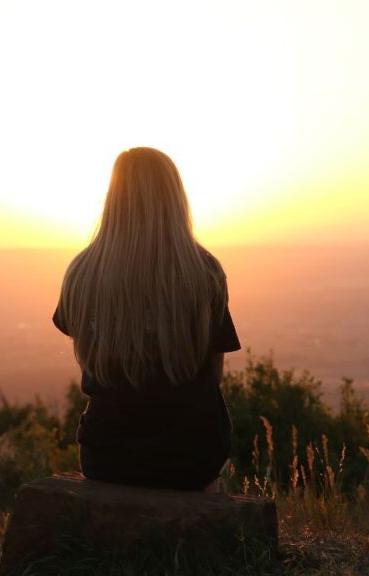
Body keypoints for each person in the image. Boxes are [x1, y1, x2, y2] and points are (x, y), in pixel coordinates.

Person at [52, 147, 241, 493]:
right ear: (174, 199)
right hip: (192, 457)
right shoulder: (205, 272)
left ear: (113, 198)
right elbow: (213, 376)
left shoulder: (81, 273)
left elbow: (88, 360)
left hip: (108, 455)